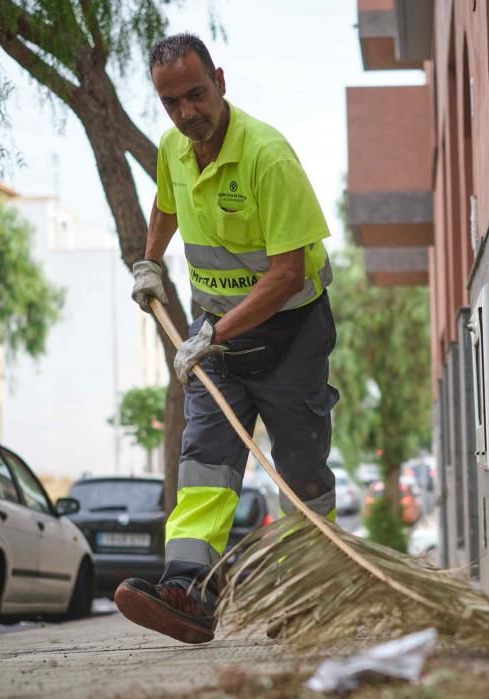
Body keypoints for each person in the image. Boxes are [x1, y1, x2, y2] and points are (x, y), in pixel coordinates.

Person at [114, 33, 338, 644]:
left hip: (291, 331)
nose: (188, 113)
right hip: (215, 335)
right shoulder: (174, 146)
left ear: (219, 80)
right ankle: (187, 587)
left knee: (300, 469)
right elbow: (167, 202)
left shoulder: (269, 157)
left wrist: (212, 332)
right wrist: (149, 261)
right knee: (206, 461)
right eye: (172, 103)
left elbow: (287, 274)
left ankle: (311, 593)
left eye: (196, 94)